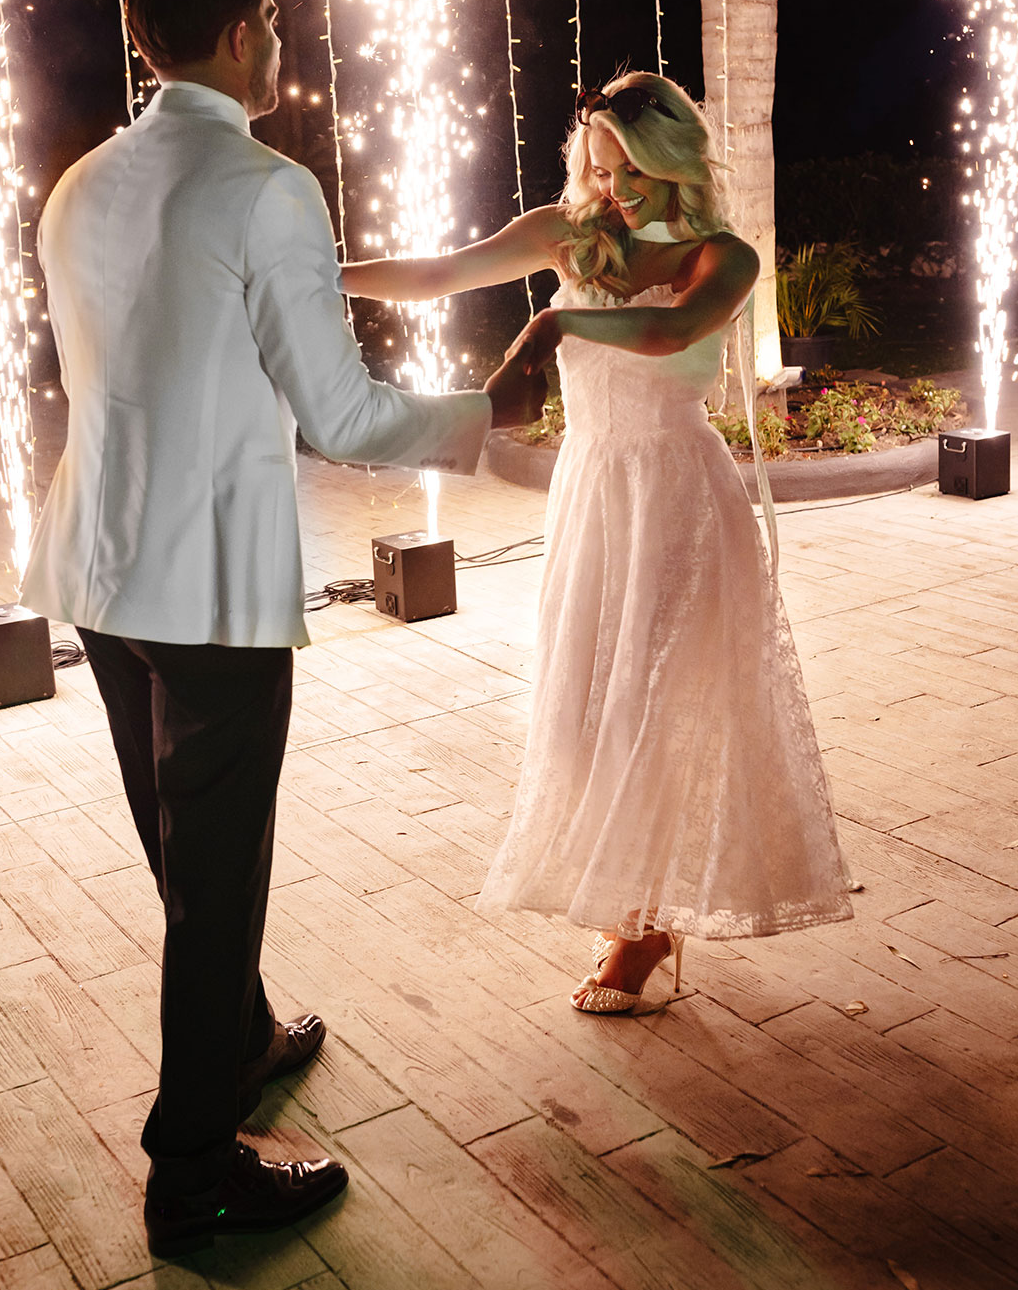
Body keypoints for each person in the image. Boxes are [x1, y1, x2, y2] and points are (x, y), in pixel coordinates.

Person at [20, 0, 545, 1258]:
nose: (277, 39)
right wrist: (486, 413)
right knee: (217, 872)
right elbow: (347, 416)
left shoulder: (80, 185)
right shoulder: (268, 186)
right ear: (246, 36)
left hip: (95, 564)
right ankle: (192, 1168)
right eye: (271, 19)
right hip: (205, 591)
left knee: (178, 852)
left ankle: (243, 1038)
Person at [342, 72, 852, 1013]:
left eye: (629, 171)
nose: (612, 190)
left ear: (672, 160)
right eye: (599, 167)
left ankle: (638, 928)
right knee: (584, 702)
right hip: (592, 490)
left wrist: (555, 319)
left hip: (677, 495)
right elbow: (441, 271)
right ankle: (637, 905)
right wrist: (321, 276)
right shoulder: (569, 233)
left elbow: (669, 332)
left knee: (651, 702)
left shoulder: (723, 256)